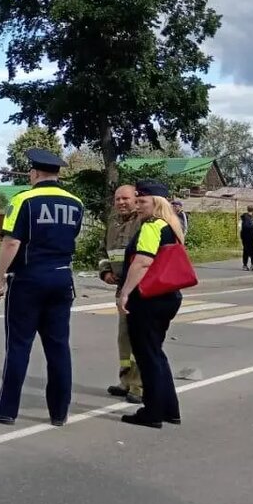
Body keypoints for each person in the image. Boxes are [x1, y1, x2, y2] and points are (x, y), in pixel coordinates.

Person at [0, 148, 84, 427]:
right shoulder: (76, 203)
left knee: (19, 345)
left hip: (30, 279)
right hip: (62, 278)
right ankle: (59, 412)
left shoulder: (23, 199)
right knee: (58, 347)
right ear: (57, 174)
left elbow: (11, 242)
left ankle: (6, 409)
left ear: (33, 173)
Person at [116, 180, 185, 429]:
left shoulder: (153, 225)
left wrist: (125, 293)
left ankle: (152, 411)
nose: (138, 205)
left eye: (142, 201)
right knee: (156, 354)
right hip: (167, 297)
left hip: (148, 299)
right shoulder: (171, 226)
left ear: (156, 203)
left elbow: (143, 262)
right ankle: (169, 408)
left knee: (147, 356)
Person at [99, 185, 142, 404]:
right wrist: (105, 271)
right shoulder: (113, 223)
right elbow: (103, 252)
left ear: (136, 199)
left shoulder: (143, 222)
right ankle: (126, 381)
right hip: (121, 289)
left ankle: (139, 385)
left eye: (125, 198)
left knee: (139, 339)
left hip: (141, 289)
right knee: (124, 338)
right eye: (117, 199)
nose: (121, 203)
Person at [241, 206, 253, 271]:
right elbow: (246, 226)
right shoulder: (246, 217)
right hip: (246, 236)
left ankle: (252, 264)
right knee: (246, 250)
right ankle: (245, 265)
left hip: (252, 236)